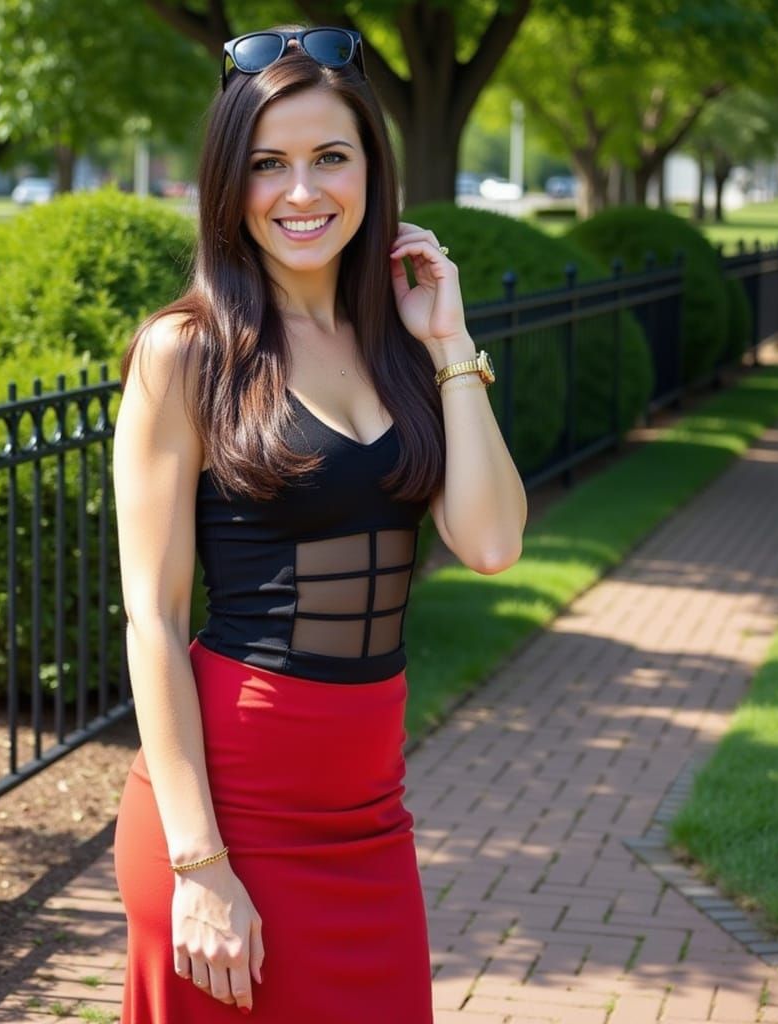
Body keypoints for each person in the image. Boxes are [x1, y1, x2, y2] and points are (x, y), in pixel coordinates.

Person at [111, 23, 527, 1023]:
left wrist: (450, 344)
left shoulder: (396, 342)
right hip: (231, 811)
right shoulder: (186, 352)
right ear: (227, 183)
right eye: (269, 165)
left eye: (329, 157)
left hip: (369, 811)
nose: (303, 192)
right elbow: (154, 621)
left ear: (370, 172)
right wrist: (199, 864)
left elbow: (491, 542)